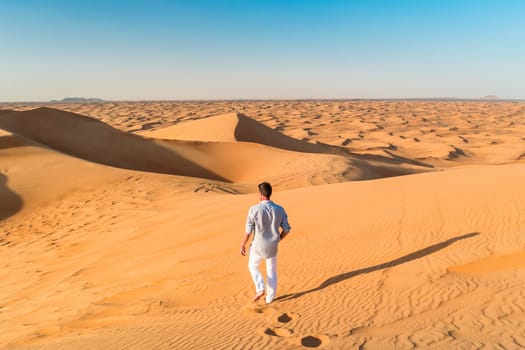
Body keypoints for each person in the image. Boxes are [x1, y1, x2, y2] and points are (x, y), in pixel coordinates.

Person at [240, 182, 291, 304]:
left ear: (261, 194)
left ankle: (260, 288)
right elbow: (287, 229)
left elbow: (248, 230)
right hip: (272, 247)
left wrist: (242, 244)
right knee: (271, 272)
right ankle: (269, 299)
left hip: (257, 246)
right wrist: (278, 238)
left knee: (252, 266)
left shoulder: (254, 209)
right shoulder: (279, 209)